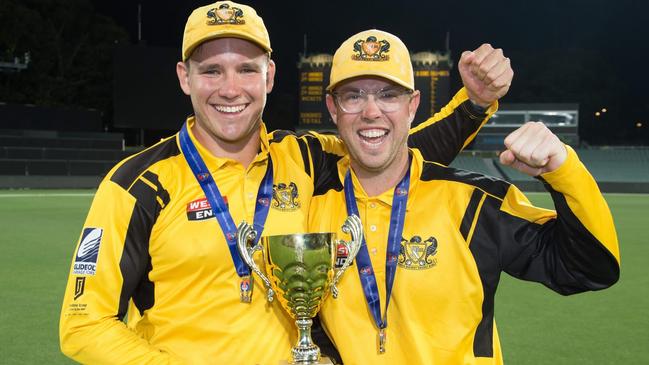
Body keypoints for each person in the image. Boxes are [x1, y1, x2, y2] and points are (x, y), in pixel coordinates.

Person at [58, 2, 512, 364]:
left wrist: (475, 103)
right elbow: (84, 323)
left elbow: (393, 150)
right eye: (212, 70)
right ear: (185, 78)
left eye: (247, 69)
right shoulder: (137, 184)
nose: (230, 88)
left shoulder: (304, 158)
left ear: (269, 76)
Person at [309, 29, 620, 365]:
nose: (371, 111)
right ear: (333, 108)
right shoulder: (311, 207)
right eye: (353, 96)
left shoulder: (472, 202)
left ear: (412, 106)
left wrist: (563, 170)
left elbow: (590, 267)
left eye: (388, 95)